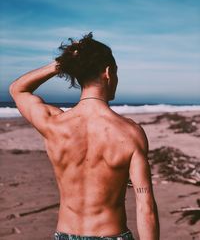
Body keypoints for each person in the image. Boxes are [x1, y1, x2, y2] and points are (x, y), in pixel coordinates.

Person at [9, 32, 160, 240]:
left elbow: (18, 90)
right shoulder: (130, 133)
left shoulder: (54, 125)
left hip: (65, 235)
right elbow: (146, 206)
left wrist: (62, 63)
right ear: (108, 72)